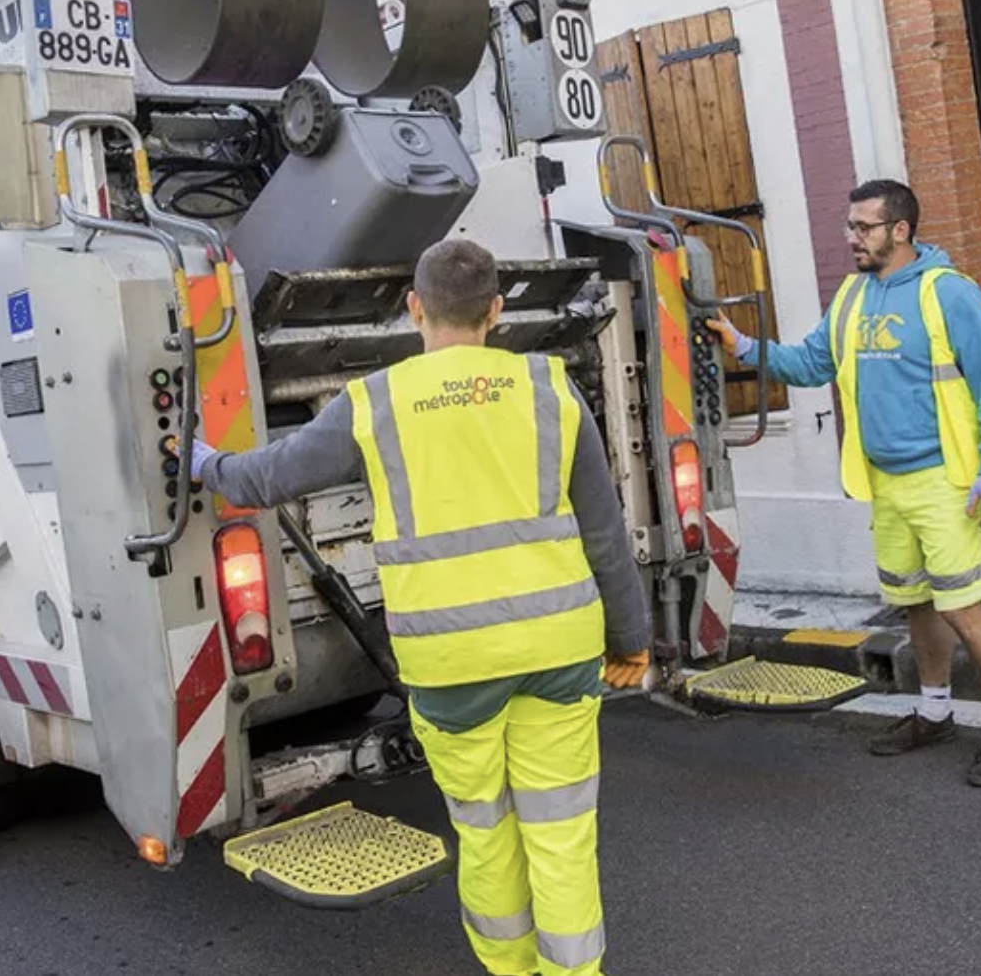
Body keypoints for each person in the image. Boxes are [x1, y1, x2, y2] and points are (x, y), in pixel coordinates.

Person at [171, 237, 650, 976]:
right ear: (496, 311)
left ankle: (511, 970)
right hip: (558, 654)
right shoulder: (552, 390)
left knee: (487, 833)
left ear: (414, 308)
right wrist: (630, 638)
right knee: (561, 835)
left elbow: (268, 478)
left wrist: (204, 461)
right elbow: (605, 534)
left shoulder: (377, 402)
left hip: (450, 664)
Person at [707, 179, 981, 787]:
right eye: (850, 226)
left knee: (965, 608)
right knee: (914, 603)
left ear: (900, 231)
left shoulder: (949, 294)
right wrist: (744, 345)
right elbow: (811, 363)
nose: (851, 238)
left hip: (946, 483)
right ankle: (934, 710)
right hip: (887, 484)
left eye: (863, 228)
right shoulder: (855, 297)